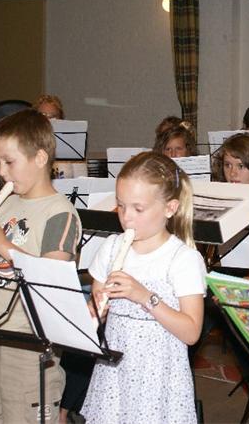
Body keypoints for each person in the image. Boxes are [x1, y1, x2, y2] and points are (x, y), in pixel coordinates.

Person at [0, 109, 81, 422]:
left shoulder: (60, 214)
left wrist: (2, 243)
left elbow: (51, 277)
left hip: (30, 343)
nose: (2, 172)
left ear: (40, 158)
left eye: (9, 162)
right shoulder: (4, 204)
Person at [81, 152, 206, 423]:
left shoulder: (182, 259)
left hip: (159, 377)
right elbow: (95, 310)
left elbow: (191, 332)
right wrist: (94, 312)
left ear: (170, 208)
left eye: (138, 209)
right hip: (115, 373)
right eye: (120, 206)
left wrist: (144, 296)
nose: (126, 218)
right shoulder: (111, 248)